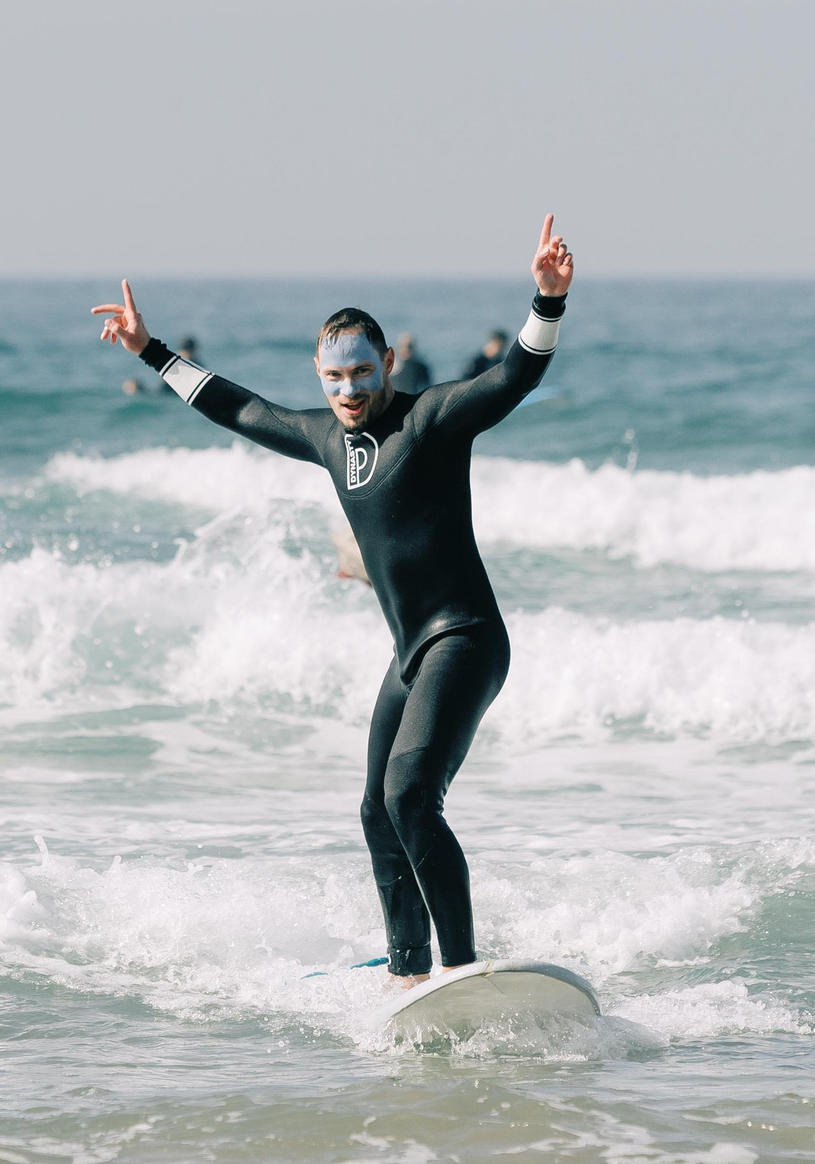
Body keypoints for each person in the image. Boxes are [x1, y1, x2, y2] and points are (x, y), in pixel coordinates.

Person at [93, 215, 574, 987]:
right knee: (375, 809)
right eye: (332, 378)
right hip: (410, 651)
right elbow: (237, 407)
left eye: (360, 372)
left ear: (386, 362)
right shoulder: (325, 439)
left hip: (467, 638)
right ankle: (409, 973)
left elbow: (511, 378)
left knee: (411, 794)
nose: (348, 390)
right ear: (319, 376)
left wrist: (545, 302)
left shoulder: (430, 420)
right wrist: (150, 351)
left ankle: (461, 970)